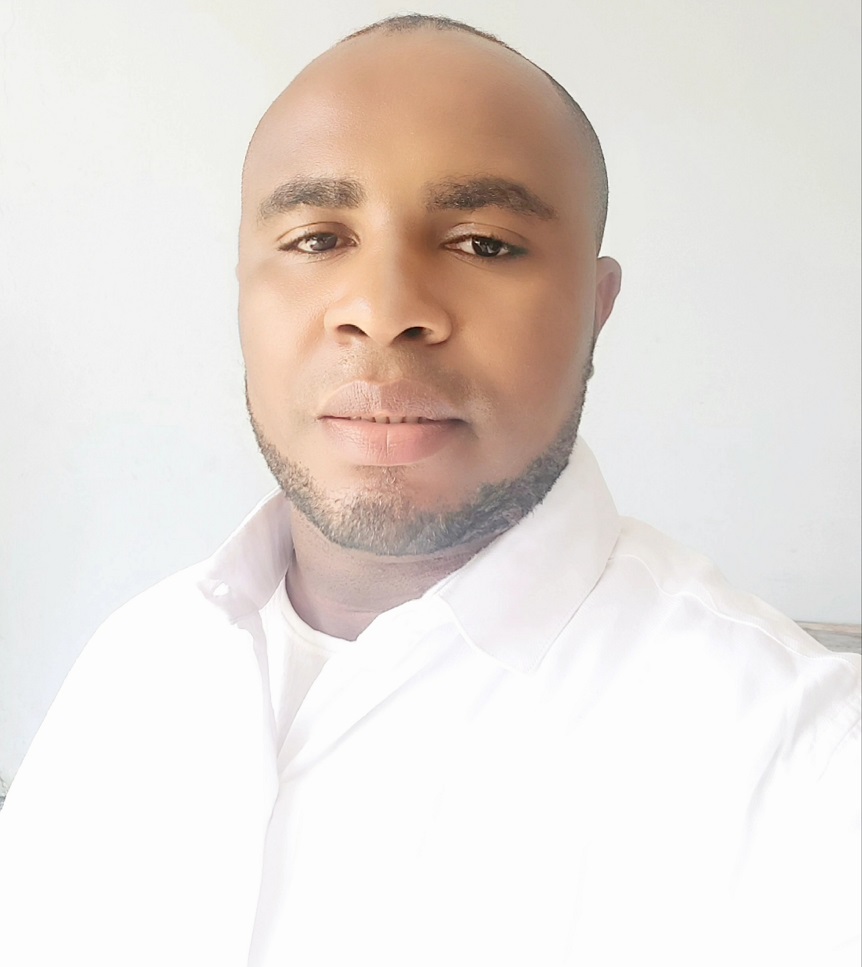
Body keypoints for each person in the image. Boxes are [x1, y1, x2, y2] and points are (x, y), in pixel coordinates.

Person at [0, 14, 858, 967]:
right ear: (241, 288)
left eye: (484, 243)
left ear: (597, 307)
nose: (383, 311)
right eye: (316, 238)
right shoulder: (135, 663)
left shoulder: (806, 773)